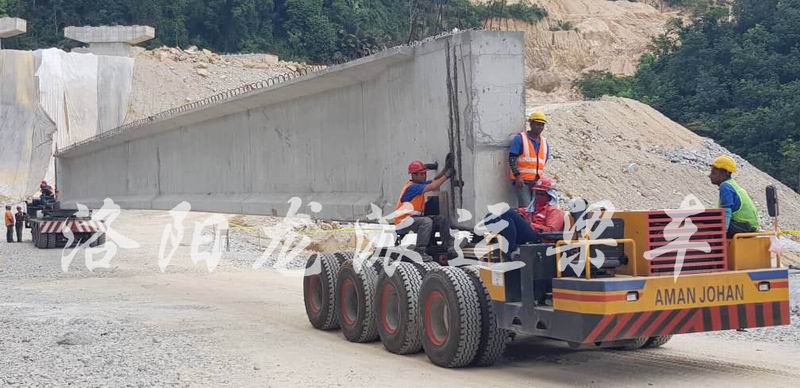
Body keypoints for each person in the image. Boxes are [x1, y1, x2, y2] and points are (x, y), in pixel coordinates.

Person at [395, 156, 455, 256]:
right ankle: (420, 251)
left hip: (414, 219)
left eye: (425, 173)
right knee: (426, 221)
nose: (424, 176)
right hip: (403, 222)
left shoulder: (419, 183)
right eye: (422, 174)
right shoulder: (412, 187)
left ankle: (447, 245)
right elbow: (434, 186)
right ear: (413, 175)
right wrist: (447, 175)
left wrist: (445, 170)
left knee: (441, 219)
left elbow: (435, 181)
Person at [709, 155, 759, 238]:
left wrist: (722, 233)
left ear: (725, 172)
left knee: (708, 225)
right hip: (748, 226)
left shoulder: (725, 186)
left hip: (744, 227)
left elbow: (726, 212)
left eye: (713, 173)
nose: (710, 176)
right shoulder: (731, 184)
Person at [509, 112, 550, 207]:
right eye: (537, 124)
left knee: (536, 209)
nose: (540, 127)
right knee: (525, 209)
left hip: (537, 183)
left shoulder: (544, 142)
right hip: (523, 182)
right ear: (531, 123)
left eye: (542, 124)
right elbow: (511, 159)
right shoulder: (520, 139)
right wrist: (517, 176)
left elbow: (544, 161)